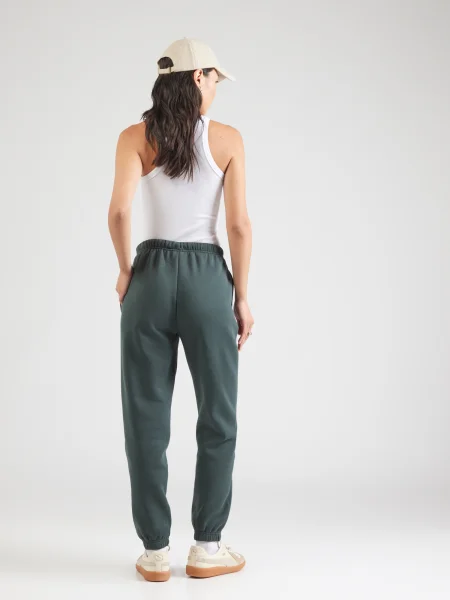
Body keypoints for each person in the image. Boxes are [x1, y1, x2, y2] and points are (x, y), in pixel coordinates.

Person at [107, 38, 253, 582]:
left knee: (144, 415)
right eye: (214, 78)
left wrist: (127, 268)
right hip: (206, 279)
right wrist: (241, 296)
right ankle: (207, 547)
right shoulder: (227, 139)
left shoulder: (134, 137)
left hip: (149, 275)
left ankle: (153, 552)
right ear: (198, 77)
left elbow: (119, 212)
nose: (216, 88)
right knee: (218, 413)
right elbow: (238, 226)